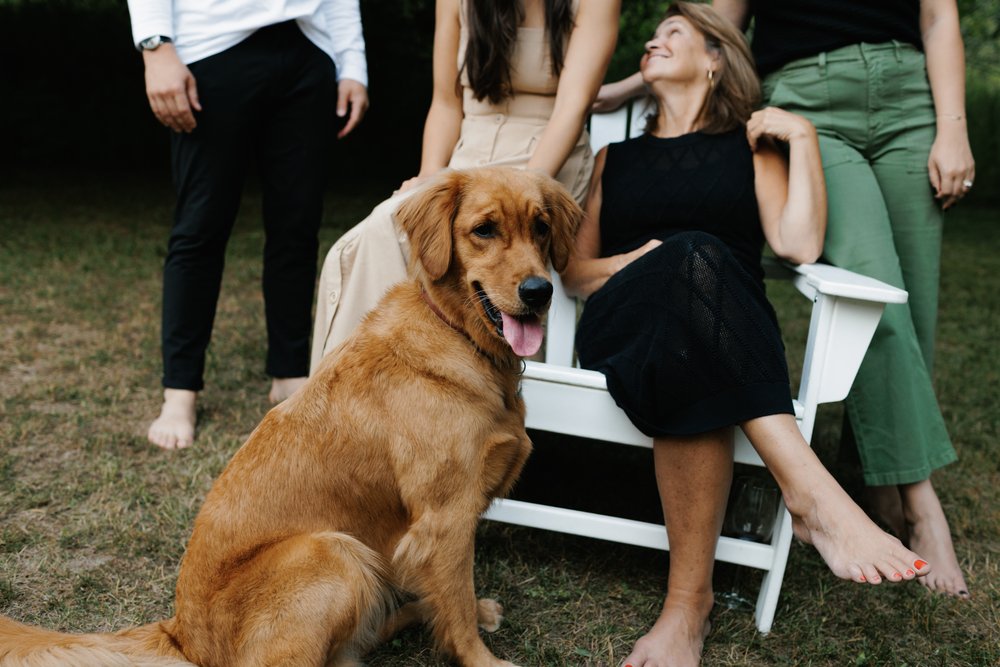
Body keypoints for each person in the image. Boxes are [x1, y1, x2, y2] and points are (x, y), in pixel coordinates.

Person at [561, 4, 932, 665]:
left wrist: (805, 139)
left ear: (715, 59)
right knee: (692, 254)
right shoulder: (615, 159)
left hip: (728, 336)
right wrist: (640, 261)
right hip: (626, 324)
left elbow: (801, 242)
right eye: (654, 33)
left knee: (698, 289)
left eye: (674, 32)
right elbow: (576, 270)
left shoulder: (750, 150)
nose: (654, 38)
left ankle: (688, 607)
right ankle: (809, 490)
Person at [310, 0, 620, 368]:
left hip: (544, 163)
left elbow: (574, 105)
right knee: (375, 235)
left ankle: (491, 394)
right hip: (467, 157)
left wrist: (522, 186)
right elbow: (445, 102)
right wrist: (428, 176)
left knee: (507, 235)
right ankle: (349, 386)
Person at [126, 0, 369, 449]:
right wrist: (155, 46)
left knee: (297, 228)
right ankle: (180, 392)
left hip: (308, 45)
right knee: (199, 230)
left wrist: (352, 60)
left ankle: (290, 373)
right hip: (209, 49)